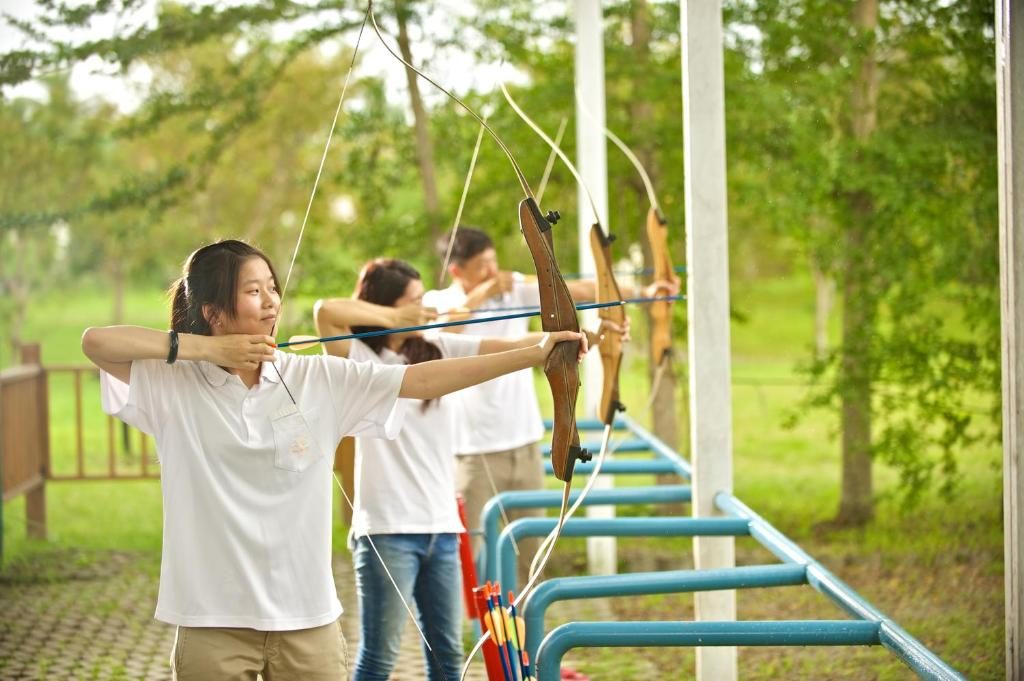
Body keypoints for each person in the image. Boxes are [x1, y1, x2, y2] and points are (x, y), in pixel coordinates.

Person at [81, 239, 585, 681]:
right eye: (253, 291)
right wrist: (206, 350)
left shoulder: (314, 377)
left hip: (309, 620)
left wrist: (536, 353)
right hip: (211, 620)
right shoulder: (173, 384)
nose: (271, 301)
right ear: (213, 310)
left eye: (272, 288)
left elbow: (422, 381)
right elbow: (96, 342)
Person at [313, 258, 586, 681]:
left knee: (447, 657)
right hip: (386, 531)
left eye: (423, 299)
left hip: (442, 529)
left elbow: (512, 347)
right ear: (384, 306)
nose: (424, 309)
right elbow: (325, 312)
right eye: (413, 302)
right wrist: (394, 320)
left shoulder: (437, 349)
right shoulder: (358, 357)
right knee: (379, 658)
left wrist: (561, 340)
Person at [423, 227, 674, 586]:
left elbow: (584, 290)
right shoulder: (442, 300)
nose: (495, 271)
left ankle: (524, 625)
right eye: (483, 266)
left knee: (529, 550)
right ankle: (475, 632)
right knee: (468, 556)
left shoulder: (515, 290)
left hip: (524, 445)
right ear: (457, 271)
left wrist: (643, 293)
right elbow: (441, 332)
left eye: (495, 261)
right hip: (472, 453)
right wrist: (484, 293)